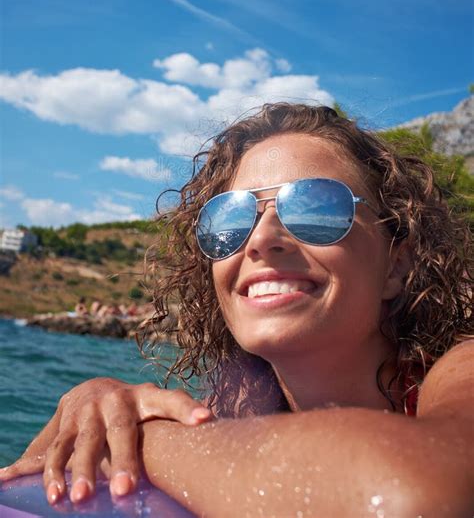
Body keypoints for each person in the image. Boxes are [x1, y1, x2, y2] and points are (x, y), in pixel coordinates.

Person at [1, 103, 473, 516]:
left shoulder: (461, 369)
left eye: (315, 209)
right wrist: (101, 410)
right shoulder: (233, 414)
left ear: (397, 262)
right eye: (229, 220)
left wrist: (149, 439)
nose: (262, 240)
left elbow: (418, 494)